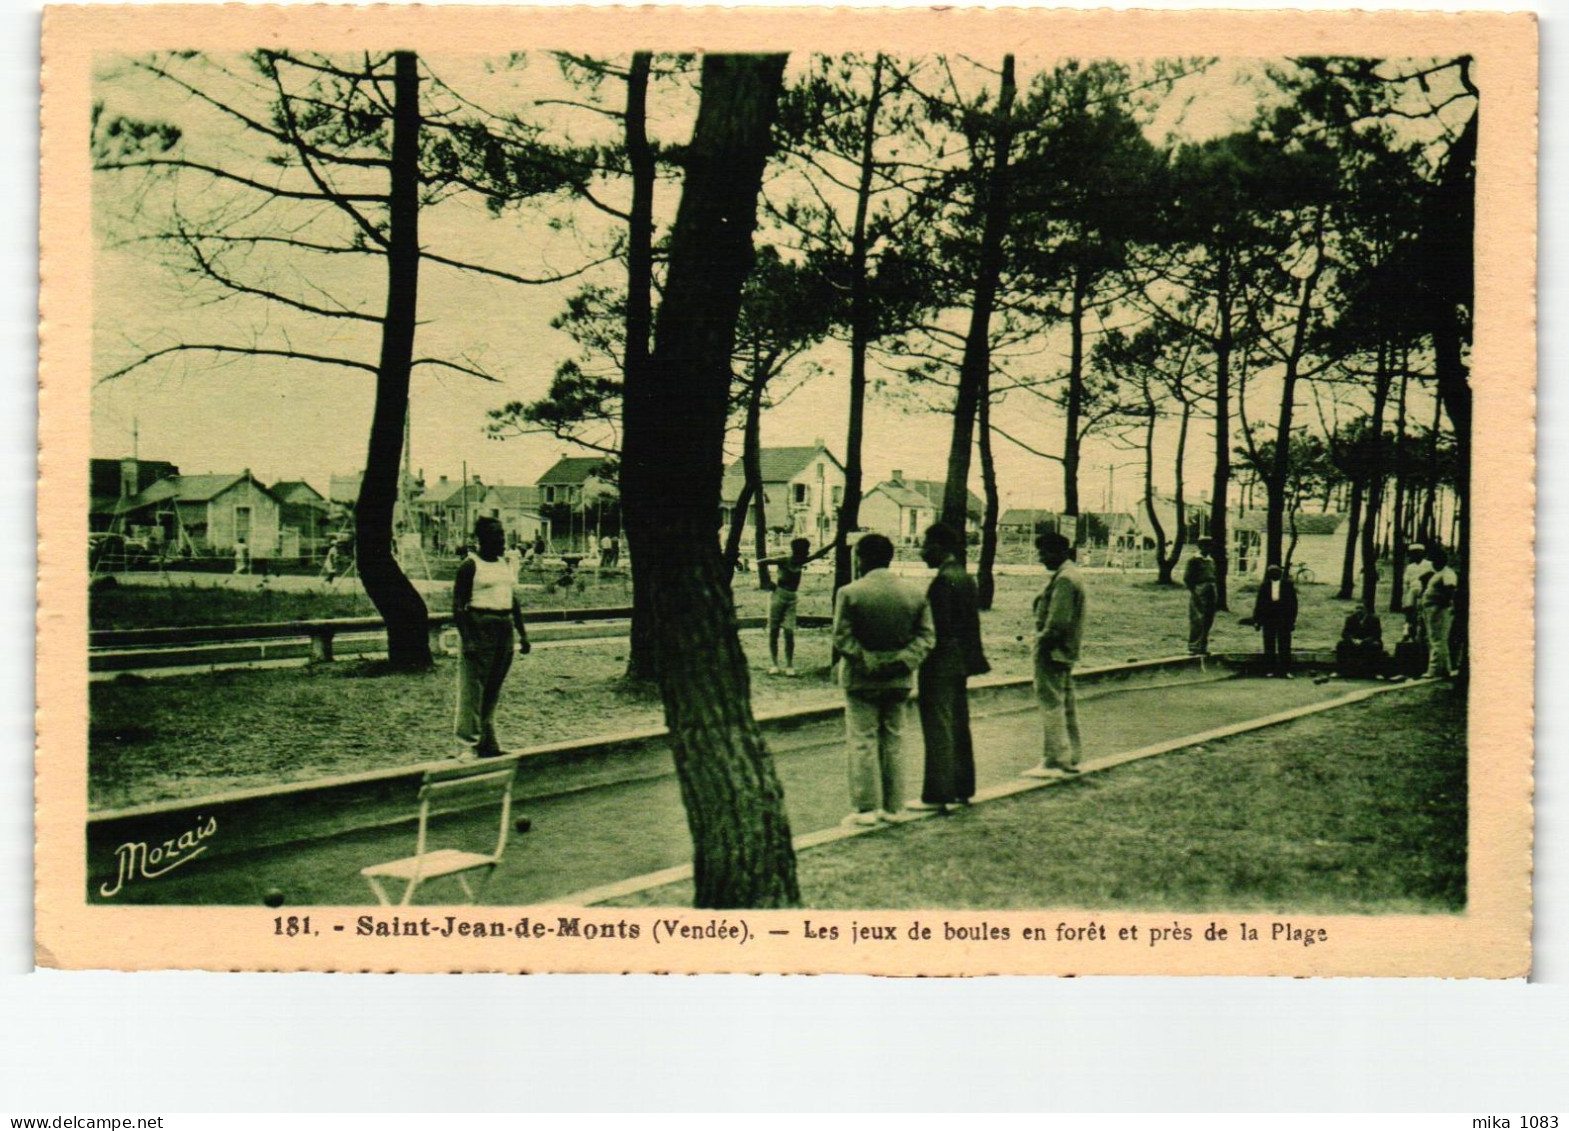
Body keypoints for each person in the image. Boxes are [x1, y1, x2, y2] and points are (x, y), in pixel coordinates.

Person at [832, 533, 935, 825]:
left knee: (862, 740)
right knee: (894, 740)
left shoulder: (850, 593)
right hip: (900, 680)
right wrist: (903, 660)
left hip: (860, 678)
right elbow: (927, 637)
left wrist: (867, 659)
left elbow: (841, 638)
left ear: (861, 558)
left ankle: (865, 808)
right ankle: (894, 806)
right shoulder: (914, 593)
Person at [910, 522, 989, 813]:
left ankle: (937, 793)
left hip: (940, 661)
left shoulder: (943, 581)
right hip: (961, 660)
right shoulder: (964, 577)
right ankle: (961, 786)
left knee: (938, 725)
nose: (922, 552)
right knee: (958, 723)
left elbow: (937, 628)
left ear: (939, 547)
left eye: (925, 546)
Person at [453, 517, 531, 758]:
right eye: (497, 536)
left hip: (504, 627)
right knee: (472, 689)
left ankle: (487, 740)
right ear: (482, 539)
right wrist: (468, 640)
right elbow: (458, 606)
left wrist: (522, 633)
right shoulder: (470, 565)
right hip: (480, 626)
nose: (502, 541)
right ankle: (467, 745)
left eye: (503, 536)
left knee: (493, 688)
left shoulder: (503, 564)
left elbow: (512, 599)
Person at [1023, 532, 1087, 779]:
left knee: (1051, 704)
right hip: (1065, 650)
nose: (1041, 558)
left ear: (1059, 552)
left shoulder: (1065, 579)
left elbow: (1057, 622)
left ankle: (1055, 760)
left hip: (1052, 651)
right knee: (1065, 703)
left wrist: (1040, 641)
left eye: (1044, 553)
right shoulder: (1071, 574)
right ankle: (1069, 756)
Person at [761, 537, 828, 676]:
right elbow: (761, 562)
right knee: (774, 631)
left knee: (789, 631)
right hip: (777, 596)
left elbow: (818, 554)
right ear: (798, 551)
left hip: (792, 598)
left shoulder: (801, 561)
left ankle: (789, 665)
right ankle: (774, 664)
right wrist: (767, 582)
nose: (807, 552)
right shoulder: (784, 560)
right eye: (805, 550)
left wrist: (834, 543)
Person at [1249, 563, 1299, 678]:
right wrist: (1257, 620)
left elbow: (1293, 604)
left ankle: (1285, 670)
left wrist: (1292, 620)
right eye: (1271, 572)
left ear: (1280, 573)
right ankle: (1270, 669)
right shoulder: (1265, 586)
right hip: (1269, 617)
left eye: (1276, 572)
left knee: (1285, 645)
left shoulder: (1287, 585)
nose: (1274, 574)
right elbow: (1259, 604)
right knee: (1269, 645)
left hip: (1283, 617)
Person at [1421, 547, 1460, 678]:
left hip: (1438, 609)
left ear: (1440, 561)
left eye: (1434, 561)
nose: (1432, 564)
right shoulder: (1438, 574)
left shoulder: (1447, 573)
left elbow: (1450, 590)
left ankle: (1434, 669)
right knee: (1435, 639)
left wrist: (1441, 604)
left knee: (1437, 640)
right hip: (1431, 608)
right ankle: (1444, 668)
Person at [1183, 539, 1219, 655]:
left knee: (1209, 618)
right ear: (1200, 546)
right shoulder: (1194, 560)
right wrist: (1194, 592)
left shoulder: (1210, 560)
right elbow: (1188, 578)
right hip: (1200, 588)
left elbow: (1214, 575)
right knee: (1198, 618)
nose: (1208, 548)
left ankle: (1203, 646)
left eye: (1210, 546)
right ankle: (1194, 646)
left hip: (1211, 588)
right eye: (1205, 546)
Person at [1335, 600, 1387, 679]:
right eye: (1357, 608)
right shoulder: (1350, 618)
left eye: (1361, 608)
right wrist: (1353, 639)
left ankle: (1375, 672)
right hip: (1354, 641)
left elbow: (1377, 634)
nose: (1358, 610)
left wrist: (1364, 641)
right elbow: (1345, 633)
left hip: (1368, 641)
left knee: (1375, 646)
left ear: (1366, 609)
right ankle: (1340, 671)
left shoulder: (1374, 619)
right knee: (1341, 645)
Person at [1402, 543, 1434, 639]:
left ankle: (1423, 632)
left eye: (1418, 553)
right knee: (1410, 608)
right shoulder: (1410, 567)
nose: (1415, 555)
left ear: (1422, 553)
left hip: (1425, 590)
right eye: (1413, 553)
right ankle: (1409, 627)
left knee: (1424, 614)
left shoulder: (1429, 565)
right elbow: (1406, 582)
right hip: (1413, 590)